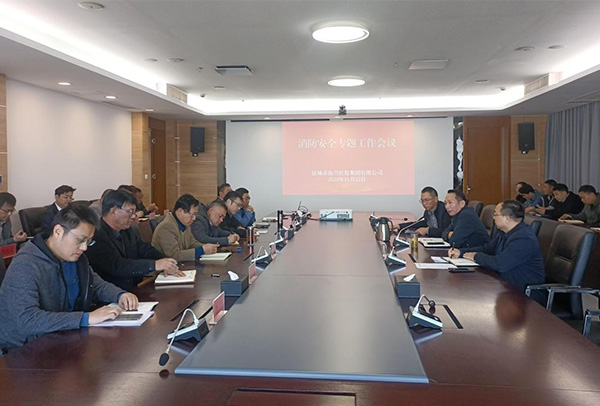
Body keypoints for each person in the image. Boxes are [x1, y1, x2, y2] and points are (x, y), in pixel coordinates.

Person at [0, 205, 139, 349]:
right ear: (58, 231)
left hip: (63, 337)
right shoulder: (26, 264)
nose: (84, 248)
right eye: (80, 240)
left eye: (88, 241)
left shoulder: (75, 258)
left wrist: (120, 295)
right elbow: (26, 320)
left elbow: (95, 284)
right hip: (24, 349)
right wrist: (86, 318)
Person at [85, 190, 183, 290]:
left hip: (135, 287)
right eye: (130, 212)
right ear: (114, 211)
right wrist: (154, 265)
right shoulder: (96, 234)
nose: (133, 216)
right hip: (113, 292)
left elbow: (144, 249)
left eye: (134, 212)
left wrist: (166, 262)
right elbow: (116, 265)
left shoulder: (126, 230)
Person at [448, 200, 544, 295]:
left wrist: (476, 256)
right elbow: (487, 249)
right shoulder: (504, 232)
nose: (493, 218)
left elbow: (500, 264)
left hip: (522, 294)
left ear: (506, 218)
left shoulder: (524, 239)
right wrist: (461, 252)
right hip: (503, 286)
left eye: (495, 214)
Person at [152, 194, 218, 261]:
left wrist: (207, 247)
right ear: (180, 211)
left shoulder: (185, 223)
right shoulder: (166, 227)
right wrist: (201, 250)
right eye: (192, 215)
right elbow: (174, 255)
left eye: (195, 215)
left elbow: (192, 243)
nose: (194, 218)